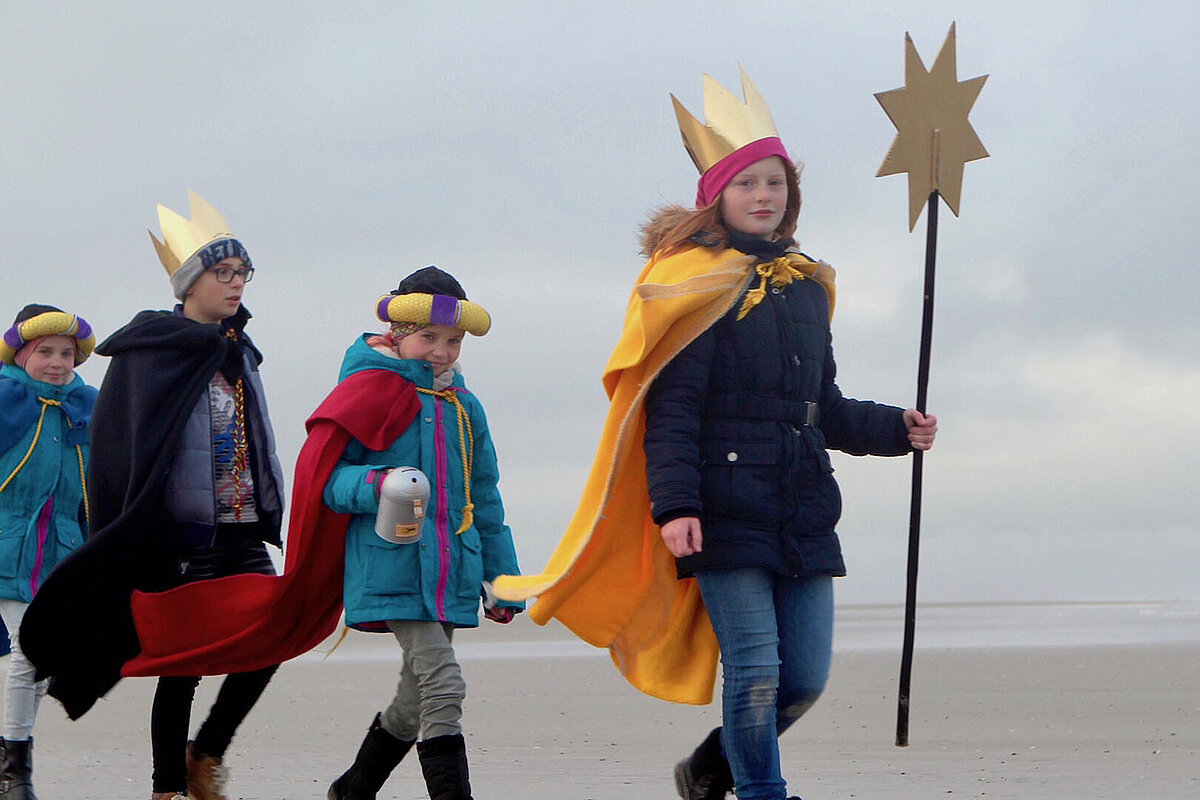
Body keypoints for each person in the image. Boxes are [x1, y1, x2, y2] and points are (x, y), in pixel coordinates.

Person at [491, 69, 937, 800]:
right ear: (717, 197)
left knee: (805, 679)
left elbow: (820, 407)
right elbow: (671, 414)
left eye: (776, 183)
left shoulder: (804, 287)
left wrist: (895, 428)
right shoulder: (692, 285)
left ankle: (707, 769)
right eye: (748, 184)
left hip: (802, 505)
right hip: (721, 507)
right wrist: (676, 508)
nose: (765, 196)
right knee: (756, 670)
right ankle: (764, 792)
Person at [22, 192, 286, 800]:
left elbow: (255, 435)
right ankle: (167, 787)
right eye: (222, 273)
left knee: (268, 640)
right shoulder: (154, 354)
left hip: (241, 524)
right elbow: (123, 453)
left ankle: (207, 751)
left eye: (242, 272)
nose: (235, 283)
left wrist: (267, 503)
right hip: (183, 534)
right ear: (189, 283)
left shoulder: (239, 351)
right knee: (184, 665)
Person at [319, 266, 522, 800]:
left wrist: (502, 581)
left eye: (452, 341)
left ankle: (352, 790)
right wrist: (380, 483)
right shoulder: (366, 392)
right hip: (392, 564)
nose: (441, 351)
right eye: (429, 338)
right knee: (445, 685)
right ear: (397, 334)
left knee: (415, 699)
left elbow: (486, 498)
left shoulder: (465, 408)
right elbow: (329, 481)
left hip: (452, 568)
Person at [0, 305, 97, 800]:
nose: (58, 363)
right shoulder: (4, 399)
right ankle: (15, 771)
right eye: (45, 352)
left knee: (43, 660)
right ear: (21, 354)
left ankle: (9, 758)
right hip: (7, 545)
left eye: (67, 353)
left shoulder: (85, 406)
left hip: (61, 550)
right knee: (29, 652)